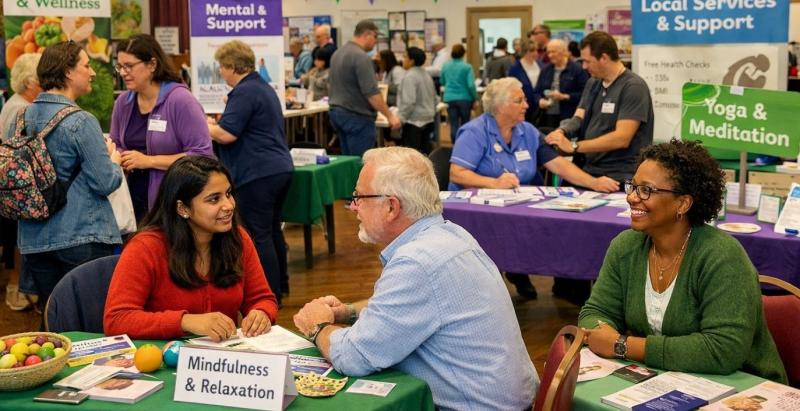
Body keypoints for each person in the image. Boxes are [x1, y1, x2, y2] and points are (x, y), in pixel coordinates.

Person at [292, 147, 538, 410]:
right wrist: (347, 312)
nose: (353, 207)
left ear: (391, 207)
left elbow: (355, 356)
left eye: (359, 197)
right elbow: (409, 309)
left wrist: (318, 326)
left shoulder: (417, 262)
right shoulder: (451, 234)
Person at [579, 140, 787, 384]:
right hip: (667, 379)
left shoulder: (722, 256)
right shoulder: (626, 246)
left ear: (683, 203)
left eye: (646, 190)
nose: (632, 198)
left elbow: (722, 351)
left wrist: (622, 346)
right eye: (632, 186)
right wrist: (601, 329)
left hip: (744, 387)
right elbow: (596, 311)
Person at [449, 78, 618, 300]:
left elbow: (557, 164)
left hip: (518, 207)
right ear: (500, 107)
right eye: (519, 100)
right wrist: (494, 183)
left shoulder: (527, 131)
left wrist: (593, 182)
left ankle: (521, 270)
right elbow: (457, 173)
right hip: (479, 211)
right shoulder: (474, 131)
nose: (527, 105)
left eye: (525, 100)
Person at [104, 156, 279, 341]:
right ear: (182, 208)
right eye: (214, 199)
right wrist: (185, 322)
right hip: (161, 358)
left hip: (223, 359)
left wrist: (262, 313)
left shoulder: (238, 238)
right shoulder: (145, 247)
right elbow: (117, 319)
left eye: (228, 194)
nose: (228, 206)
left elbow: (262, 298)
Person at [19, 41, 123, 312]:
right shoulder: (81, 121)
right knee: (89, 323)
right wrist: (113, 161)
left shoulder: (19, 118)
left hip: (33, 237)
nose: (92, 73)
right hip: (81, 235)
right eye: (86, 66)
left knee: (55, 319)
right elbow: (104, 183)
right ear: (67, 72)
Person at [206, 40, 294, 303]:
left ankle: (269, 294)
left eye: (221, 67)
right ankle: (281, 285)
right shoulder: (261, 88)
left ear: (232, 66)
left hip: (257, 172)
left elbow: (226, 134)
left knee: (259, 234)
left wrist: (203, 124)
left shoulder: (244, 92)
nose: (220, 72)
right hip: (278, 168)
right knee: (272, 230)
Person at [110, 34, 213, 221]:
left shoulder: (181, 101)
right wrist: (120, 156)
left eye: (129, 66)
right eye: (120, 66)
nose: (123, 73)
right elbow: (116, 143)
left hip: (172, 201)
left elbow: (202, 156)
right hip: (132, 200)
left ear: (152, 65)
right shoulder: (123, 103)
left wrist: (148, 161)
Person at [545, 31, 654, 186]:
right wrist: (561, 132)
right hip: (589, 169)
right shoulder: (593, 83)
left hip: (619, 175)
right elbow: (579, 117)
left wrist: (574, 146)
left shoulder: (633, 86)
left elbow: (622, 138)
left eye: (587, 61)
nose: (583, 66)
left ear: (604, 58)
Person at [0, 53, 42, 311]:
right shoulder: (21, 109)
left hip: (12, 187)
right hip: (19, 188)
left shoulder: (13, 103)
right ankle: (16, 290)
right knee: (18, 239)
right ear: (29, 83)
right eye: (41, 79)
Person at [328, 20, 401, 157]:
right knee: (361, 164)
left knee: (347, 162)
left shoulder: (338, 54)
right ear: (367, 34)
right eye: (375, 37)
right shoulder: (361, 58)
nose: (375, 41)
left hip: (337, 114)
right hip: (357, 117)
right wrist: (390, 116)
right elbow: (371, 92)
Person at [532, 39, 589, 130]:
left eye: (553, 52)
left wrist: (565, 97)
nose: (550, 55)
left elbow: (586, 95)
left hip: (569, 117)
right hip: (547, 117)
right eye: (548, 52)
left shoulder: (577, 70)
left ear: (563, 51)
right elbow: (536, 92)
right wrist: (540, 101)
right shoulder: (545, 70)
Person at [397, 47, 436, 155]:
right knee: (425, 154)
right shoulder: (426, 75)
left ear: (411, 60)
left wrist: (400, 119)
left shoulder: (409, 76)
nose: (402, 60)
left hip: (414, 122)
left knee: (411, 157)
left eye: (405, 57)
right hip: (428, 120)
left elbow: (409, 102)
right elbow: (435, 98)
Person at [440, 44, 478, 144]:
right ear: (463, 54)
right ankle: (465, 145)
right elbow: (470, 85)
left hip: (449, 98)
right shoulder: (467, 67)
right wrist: (475, 98)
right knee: (465, 124)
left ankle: (455, 146)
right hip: (465, 98)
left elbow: (442, 81)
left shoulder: (446, 66)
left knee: (453, 124)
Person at [508, 37, 543, 124]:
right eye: (531, 51)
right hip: (523, 108)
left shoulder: (541, 65)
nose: (535, 53)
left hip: (540, 108)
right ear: (524, 52)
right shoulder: (515, 68)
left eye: (536, 50)